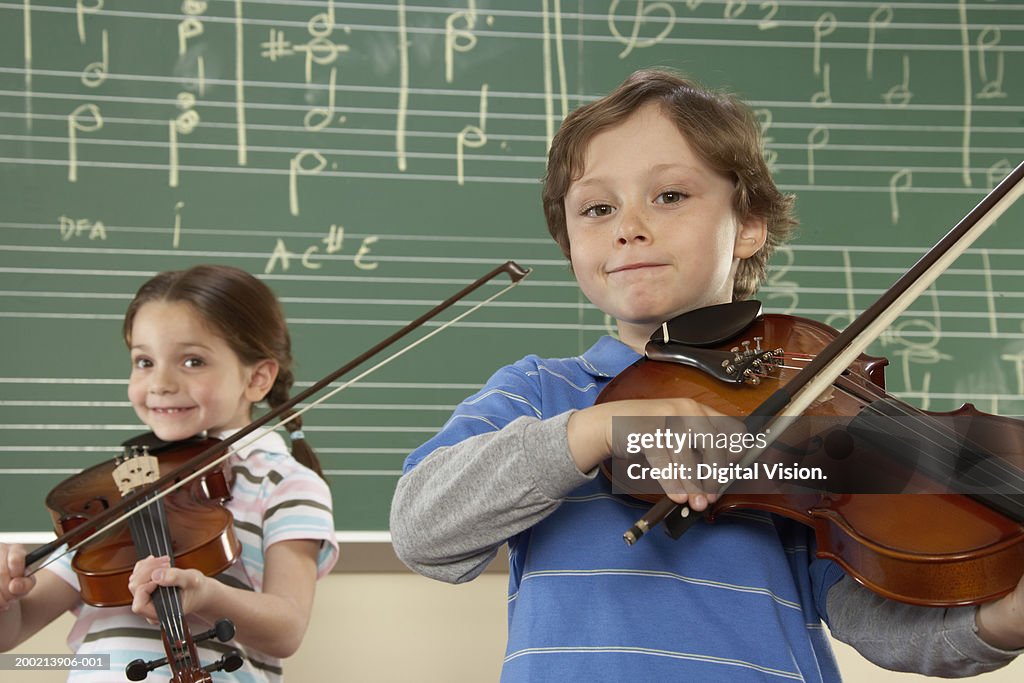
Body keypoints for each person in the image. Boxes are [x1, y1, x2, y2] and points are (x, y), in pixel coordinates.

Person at [390, 69, 1024, 681]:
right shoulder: (541, 392)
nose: (630, 229)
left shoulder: (807, 416)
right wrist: (600, 429)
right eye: (597, 209)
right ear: (570, 243)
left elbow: (870, 618)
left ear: (747, 225)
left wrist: (1000, 621)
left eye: (670, 196)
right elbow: (423, 529)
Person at [0, 264, 339, 682]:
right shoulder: (122, 486)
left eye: (192, 361)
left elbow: (287, 628)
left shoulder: (285, 483)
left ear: (257, 378)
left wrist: (207, 594)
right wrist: (5, 595)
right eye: (144, 361)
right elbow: (13, 631)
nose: (159, 382)